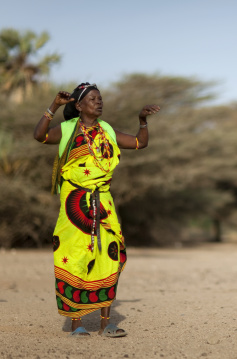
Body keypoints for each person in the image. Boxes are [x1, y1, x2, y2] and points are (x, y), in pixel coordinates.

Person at [33, 83, 160, 337]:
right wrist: (54, 106)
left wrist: (142, 120)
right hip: (74, 204)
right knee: (75, 256)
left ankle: (106, 324)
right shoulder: (68, 129)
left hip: (103, 203)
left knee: (108, 258)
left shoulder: (108, 130)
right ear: (79, 106)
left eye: (100, 99)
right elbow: (40, 136)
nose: (98, 102)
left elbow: (138, 143)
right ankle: (76, 323)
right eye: (92, 99)